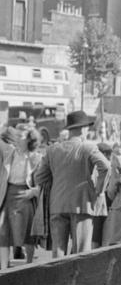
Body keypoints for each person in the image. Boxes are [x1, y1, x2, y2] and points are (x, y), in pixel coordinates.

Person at [34, 110, 109, 258]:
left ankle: (58, 280)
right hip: (82, 204)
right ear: (82, 129)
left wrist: (57, 186)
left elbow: (39, 177)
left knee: (58, 252)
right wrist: (99, 190)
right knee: (81, 252)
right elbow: (105, 167)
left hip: (57, 204)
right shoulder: (88, 147)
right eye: (87, 127)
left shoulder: (53, 149)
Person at [0, 128, 42, 266]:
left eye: (22, 136)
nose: (18, 138)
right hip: (8, 194)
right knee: (3, 232)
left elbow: (44, 182)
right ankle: (3, 267)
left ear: (29, 140)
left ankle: (29, 264)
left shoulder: (36, 157)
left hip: (25, 195)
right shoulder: (10, 152)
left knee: (27, 233)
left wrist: (34, 192)